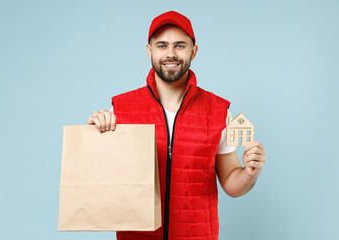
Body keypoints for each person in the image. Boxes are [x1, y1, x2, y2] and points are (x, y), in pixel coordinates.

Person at [86, 11, 266, 240]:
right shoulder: (120, 110)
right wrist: (91, 134)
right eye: (162, 45)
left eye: (180, 45)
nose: (170, 54)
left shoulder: (220, 113)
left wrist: (250, 173)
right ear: (149, 51)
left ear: (194, 50)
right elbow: (99, 179)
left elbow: (231, 183)